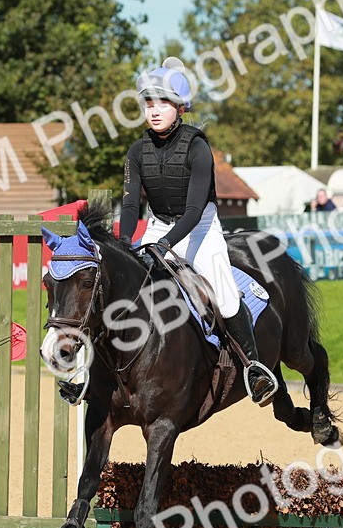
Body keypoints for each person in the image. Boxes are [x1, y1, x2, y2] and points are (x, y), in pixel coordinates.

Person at [119, 57, 278, 405]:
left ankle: (254, 369)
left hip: (200, 229)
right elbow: (131, 206)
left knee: (222, 292)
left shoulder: (197, 147)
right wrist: (123, 243)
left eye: (163, 102)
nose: (154, 110)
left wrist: (163, 245)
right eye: (149, 102)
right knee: (126, 286)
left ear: (181, 106)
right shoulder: (136, 152)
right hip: (158, 225)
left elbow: (193, 211)